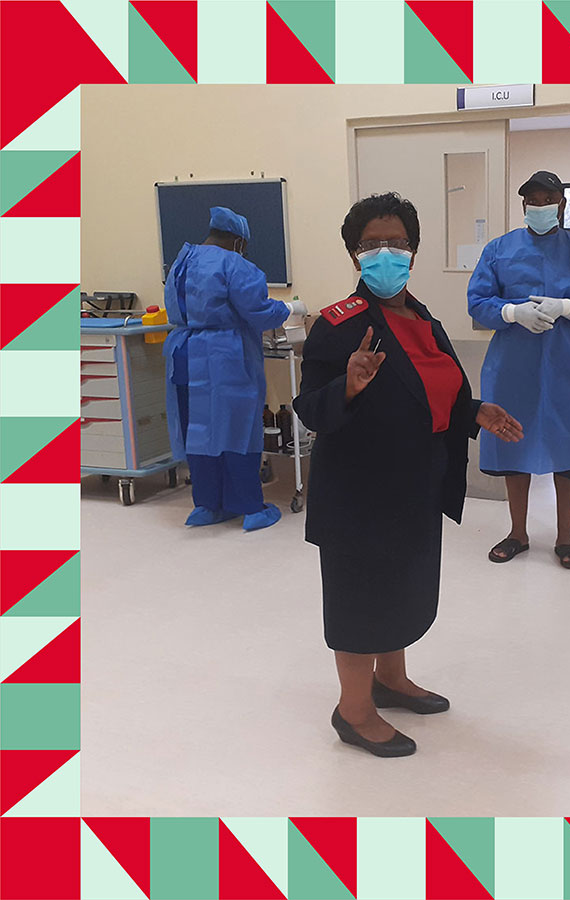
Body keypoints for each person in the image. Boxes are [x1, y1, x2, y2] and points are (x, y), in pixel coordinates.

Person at [294, 193, 522, 757]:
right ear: (355, 254)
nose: (385, 252)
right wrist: (347, 385)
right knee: (359, 596)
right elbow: (310, 409)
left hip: (415, 486)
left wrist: (474, 412)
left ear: (413, 251)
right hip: (359, 492)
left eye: (396, 242)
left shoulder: (424, 319)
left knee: (402, 590)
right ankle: (352, 709)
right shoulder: (338, 326)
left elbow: (436, 395)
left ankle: (389, 679)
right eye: (372, 244)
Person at [467, 171, 570, 569]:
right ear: (523, 207)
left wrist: (568, 307)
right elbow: (478, 301)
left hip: (568, 366)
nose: (539, 206)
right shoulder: (499, 250)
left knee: (568, 447)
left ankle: (565, 537)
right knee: (513, 443)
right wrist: (511, 312)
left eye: (546, 198)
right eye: (532, 200)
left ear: (562, 204)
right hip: (512, 367)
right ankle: (518, 532)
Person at [163, 206, 305, 531]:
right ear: (239, 240)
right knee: (237, 430)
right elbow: (256, 310)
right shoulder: (236, 264)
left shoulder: (181, 262)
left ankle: (207, 505)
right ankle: (252, 509)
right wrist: (287, 308)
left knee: (198, 431)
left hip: (184, 353)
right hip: (223, 356)